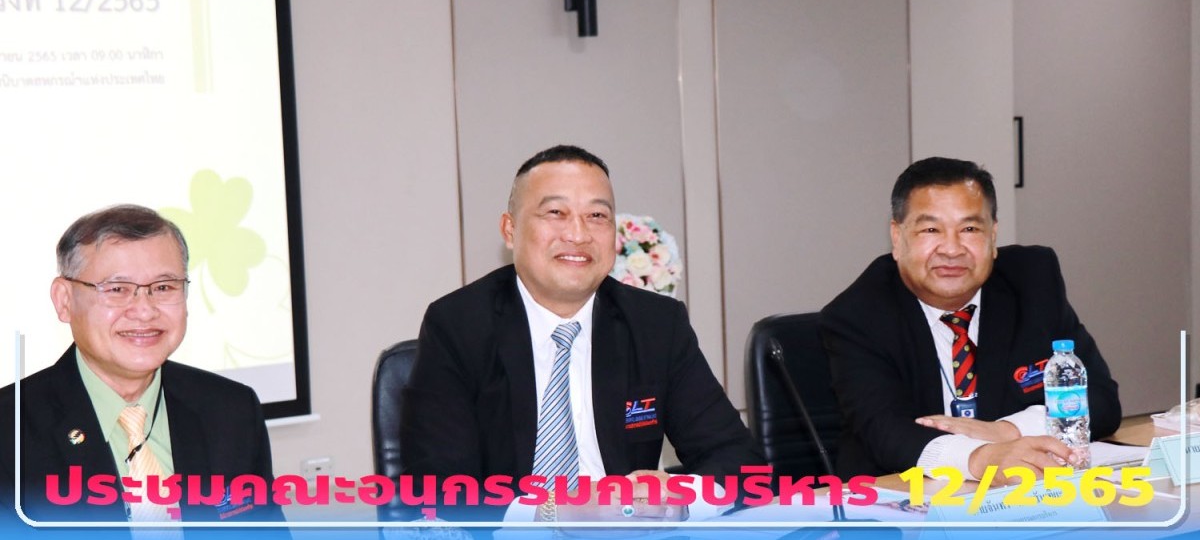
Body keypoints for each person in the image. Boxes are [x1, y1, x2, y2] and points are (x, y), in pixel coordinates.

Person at [400, 145, 763, 522]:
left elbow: (739, 462)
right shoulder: (458, 325)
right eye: (556, 213)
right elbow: (438, 488)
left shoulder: (656, 324)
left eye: (597, 216)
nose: (578, 233)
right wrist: (557, 512)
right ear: (510, 230)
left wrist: (680, 500)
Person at [820, 157, 1120, 481]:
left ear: (993, 236)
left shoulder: (1033, 281)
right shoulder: (858, 316)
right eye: (931, 229)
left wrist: (1008, 430)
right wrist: (981, 458)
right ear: (897, 237)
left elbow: (1100, 399)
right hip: (905, 495)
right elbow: (885, 432)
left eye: (970, 229)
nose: (952, 249)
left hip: (1024, 493)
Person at [0, 204, 284, 534]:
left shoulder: (231, 410)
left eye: (163, 287)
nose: (144, 310)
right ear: (64, 300)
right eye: (117, 289)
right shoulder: (10, 432)